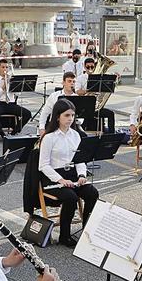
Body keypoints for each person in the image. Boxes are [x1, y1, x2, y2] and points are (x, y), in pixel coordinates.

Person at [39, 99, 99, 247]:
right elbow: (43, 166)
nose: (70, 119)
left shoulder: (76, 135)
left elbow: (80, 160)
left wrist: (82, 176)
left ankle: (87, 229)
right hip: (53, 177)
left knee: (92, 192)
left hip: (72, 175)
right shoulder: (49, 137)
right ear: (57, 117)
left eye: (72, 115)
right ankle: (64, 236)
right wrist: (60, 180)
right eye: (67, 115)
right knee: (70, 197)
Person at [0, 59, 31, 136]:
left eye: (6, 67)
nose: (5, 69)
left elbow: (17, 94)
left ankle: (15, 131)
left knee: (27, 114)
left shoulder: (11, 79)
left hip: (11, 103)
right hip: (0, 103)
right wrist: (3, 88)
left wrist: (16, 85)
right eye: (3, 67)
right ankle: (1, 133)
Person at [76, 57, 116, 132]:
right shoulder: (80, 78)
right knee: (86, 119)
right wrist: (87, 91)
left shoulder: (100, 78)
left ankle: (111, 135)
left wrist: (112, 83)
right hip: (85, 107)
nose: (90, 69)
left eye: (92, 67)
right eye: (88, 67)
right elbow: (77, 91)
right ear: (84, 67)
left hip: (96, 106)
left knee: (111, 114)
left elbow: (105, 90)